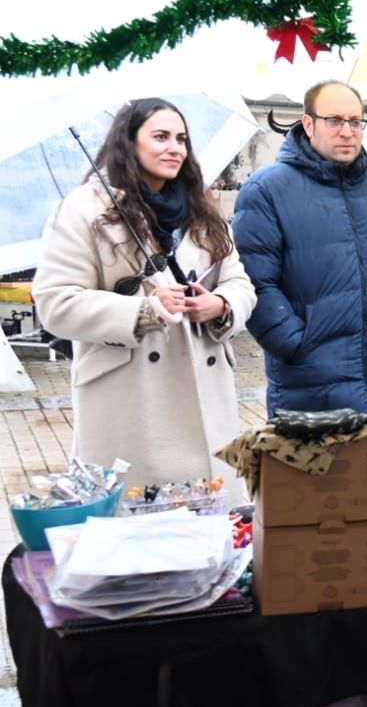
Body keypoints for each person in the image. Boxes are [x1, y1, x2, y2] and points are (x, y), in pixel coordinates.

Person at [33, 98, 258, 494]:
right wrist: (142, 310)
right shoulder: (83, 209)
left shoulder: (201, 208)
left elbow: (240, 283)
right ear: (129, 142)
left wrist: (220, 305)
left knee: (208, 527)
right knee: (140, 531)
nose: (175, 147)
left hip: (206, 394)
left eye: (181, 138)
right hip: (130, 399)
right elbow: (56, 303)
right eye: (160, 137)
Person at [234, 81, 367, 421]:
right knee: (310, 476)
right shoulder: (266, 190)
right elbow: (255, 283)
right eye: (335, 120)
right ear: (308, 124)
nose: (347, 132)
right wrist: (297, 345)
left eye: (356, 121)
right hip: (309, 387)